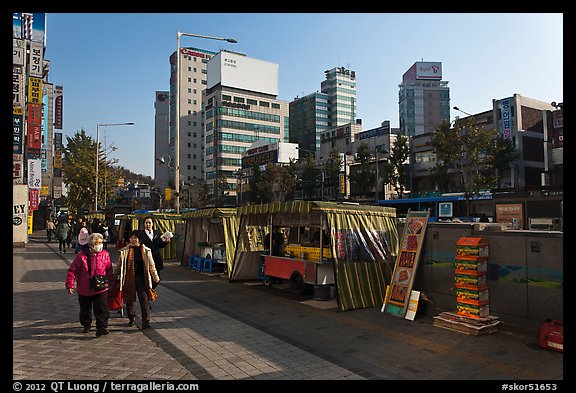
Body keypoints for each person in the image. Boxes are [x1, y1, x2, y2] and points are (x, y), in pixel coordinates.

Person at [65, 233, 114, 337]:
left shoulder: (105, 254)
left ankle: (101, 328)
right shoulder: (81, 257)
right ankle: (86, 324)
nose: (99, 245)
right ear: (91, 244)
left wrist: (111, 283)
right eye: (97, 243)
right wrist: (70, 285)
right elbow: (72, 271)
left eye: (101, 243)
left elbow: (109, 270)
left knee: (102, 308)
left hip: (101, 287)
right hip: (85, 287)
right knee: (85, 309)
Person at [115, 230, 160, 330]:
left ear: (140, 239)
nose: (132, 239)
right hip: (129, 278)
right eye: (131, 238)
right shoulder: (125, 250)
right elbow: (119, 266)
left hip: (142, 279)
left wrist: (156, 277)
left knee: (144, 300)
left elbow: (151, 266)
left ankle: (146, 321)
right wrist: (114, 276)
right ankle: (131, 317)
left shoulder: (145, 250)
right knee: (129, 299)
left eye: (135, 238)